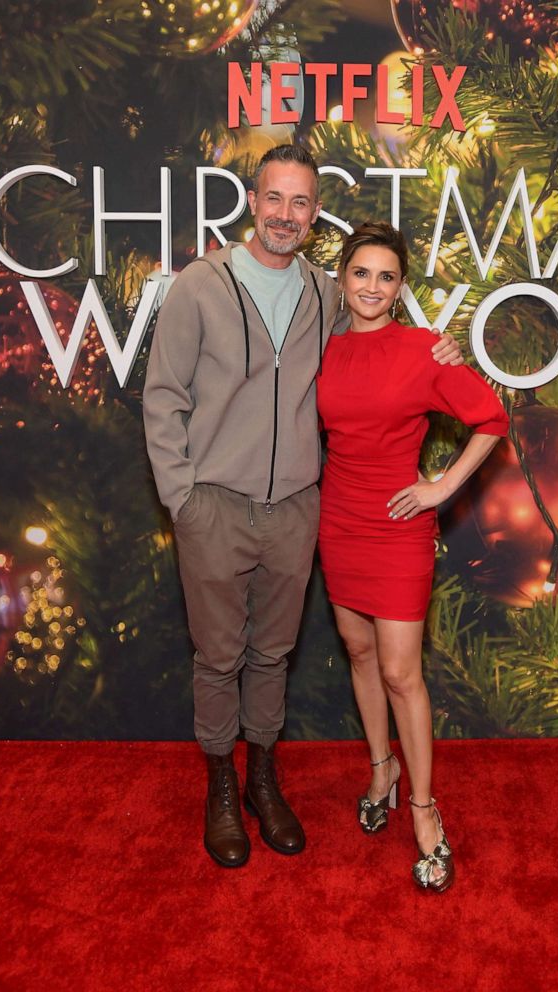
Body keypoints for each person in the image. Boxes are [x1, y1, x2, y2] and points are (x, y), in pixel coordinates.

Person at [142, 146, 463, 870]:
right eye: (275, 199)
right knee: (218, 656)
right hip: (214, 506)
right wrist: (183, 499)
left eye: (301, 203)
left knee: (273, 654)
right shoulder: (201, 284)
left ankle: (263, 777)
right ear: (253, 202)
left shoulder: (326, 292)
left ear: (315, 214)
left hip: (296, 509)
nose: (286, 215)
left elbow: (380, 348)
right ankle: (221, 784)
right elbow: (163, 398)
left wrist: (440, 348)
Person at [316, 222, 509, 892]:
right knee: (358, 651)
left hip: (397, 526)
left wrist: (444, 486)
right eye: (361, 273)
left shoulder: (424, 350)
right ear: (342, 279)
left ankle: (424, 809)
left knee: (402, 672)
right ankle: (381, 770)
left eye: (386, 276)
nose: (371, 286)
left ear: (400, 289)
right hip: (337, 521)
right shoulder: (324, 347)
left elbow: (491, 418)